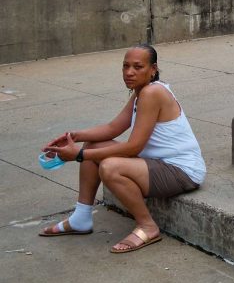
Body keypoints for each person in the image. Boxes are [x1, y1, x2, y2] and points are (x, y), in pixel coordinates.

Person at [39, 45, 206, 253]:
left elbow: (133, 147)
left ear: (153, 69)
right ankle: (81, 218)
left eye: (138, 67)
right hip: (157, 164)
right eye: (125, 66)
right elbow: (112, 128)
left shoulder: (153, 93)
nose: (129, 72)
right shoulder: (141, 92)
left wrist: (79, 155)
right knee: (94, 144)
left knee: (110, 167)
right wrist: (73, 137)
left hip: (182, 171)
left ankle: (147, 226)